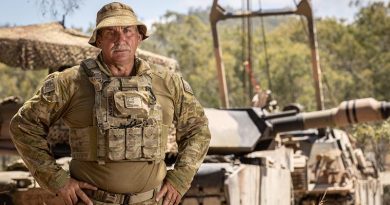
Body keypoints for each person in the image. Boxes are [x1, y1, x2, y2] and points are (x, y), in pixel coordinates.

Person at [10, 2, 211, 205]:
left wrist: (180, 179)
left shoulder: (168, 82)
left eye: (127, 31)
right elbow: (24, 125)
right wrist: (57, 180)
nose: (120, 39)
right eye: (110, 33)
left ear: (139, 37)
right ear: (98, 40)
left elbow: (198, 129)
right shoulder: (69, 83)